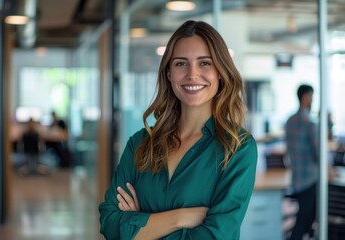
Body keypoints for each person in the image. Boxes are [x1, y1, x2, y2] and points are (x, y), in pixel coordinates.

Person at [99, 20, 258, 240]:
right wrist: (181, 218)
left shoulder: (238, 147)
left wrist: (140, 226)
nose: (192, 74)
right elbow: (109, 222)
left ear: (220, 72)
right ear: (168, 74)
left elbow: (217, 236)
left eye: (205, 63)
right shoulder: (141, 143)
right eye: (181, 64)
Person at [285, 84, 318, 240]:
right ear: (306, 97)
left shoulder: (290, 121)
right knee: (305, 220)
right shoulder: (310, 123)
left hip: (297, 178)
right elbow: (318, 154)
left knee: (304, 217)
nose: (312, 100)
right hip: (311, 179)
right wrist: (330, 171)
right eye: (311, 96)